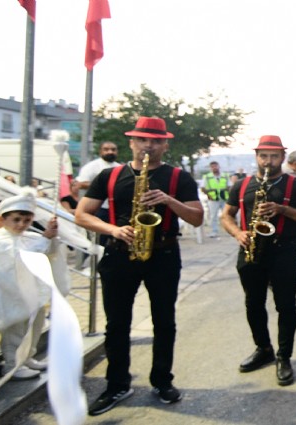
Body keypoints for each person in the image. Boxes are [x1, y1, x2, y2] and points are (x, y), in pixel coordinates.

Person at [75, 116, 203, 415]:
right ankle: (117, 384)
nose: (149, 145)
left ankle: (162, 380)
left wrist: (169, 200)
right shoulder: (109, 175)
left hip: (163, 255)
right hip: (119, 252)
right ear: (131, 142)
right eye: (143, 139)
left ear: (164, 144)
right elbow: (82, 215)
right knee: (116, 324)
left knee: (164, 322)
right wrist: (113, 230)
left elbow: (196, 217)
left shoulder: (178, 178)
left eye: (156, 140)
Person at [220, 135, 296, 386]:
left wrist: (283, 209)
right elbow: (226, 216)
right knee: (253, 304)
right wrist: (238, 233)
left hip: (283, 252)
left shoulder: (295, 185)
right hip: (250, 251)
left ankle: (284, 356)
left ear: (283, 157)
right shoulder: (242, 185)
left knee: (285, 307)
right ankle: (263, 349)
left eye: (274, 156)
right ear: (256, 156)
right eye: (263, 155)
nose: (268, 161)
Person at [0, 189, 68, 381]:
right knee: (15, 331)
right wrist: (45, 238)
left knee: (33, 328)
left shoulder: (27, 237)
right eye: (16, 220)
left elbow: (48, 251)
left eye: (26, 220)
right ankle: (12, 365)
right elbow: (20, 259)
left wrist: (52, 236)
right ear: (2, 220)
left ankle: (27, 357)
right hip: (12, 296)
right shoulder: (0, 242)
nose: (21, 224)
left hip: (31, 293)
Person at [75, 141, 120, 244]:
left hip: (114, 209)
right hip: (98, 209)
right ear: (100, 151)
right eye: (106, 149)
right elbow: (80, 184)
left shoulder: (119, 168)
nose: (110, 152)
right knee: (96, 241)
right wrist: (103, 186)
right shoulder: (91, 167)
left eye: (113, 149)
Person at [200, 161, 229, 238]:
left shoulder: (225, 176)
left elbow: (230, 186)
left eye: (215, 166)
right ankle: (214, 231)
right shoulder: (207, 177)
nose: (214, 168)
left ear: (219, 166)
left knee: (227, 215)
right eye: (212, 167)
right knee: (213, 216)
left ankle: (228, 229)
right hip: (213, 199)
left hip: (224, 198)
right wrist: (208, 195)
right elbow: (202, 188)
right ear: (210, 168)